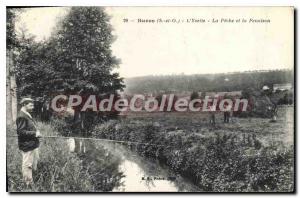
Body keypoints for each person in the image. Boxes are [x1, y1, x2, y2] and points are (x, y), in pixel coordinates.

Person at [16, 98, 41, 187]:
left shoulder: (27, 114)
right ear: (24, 105)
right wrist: (35, 133)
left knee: (33, 164)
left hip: (32, 145)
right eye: (31, 105)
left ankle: (31, 181)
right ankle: (27, 185)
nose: (33, 107)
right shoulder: (21, 116)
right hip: (27, 146)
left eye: (33, 105)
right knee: (27, 165)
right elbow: (21, 132)